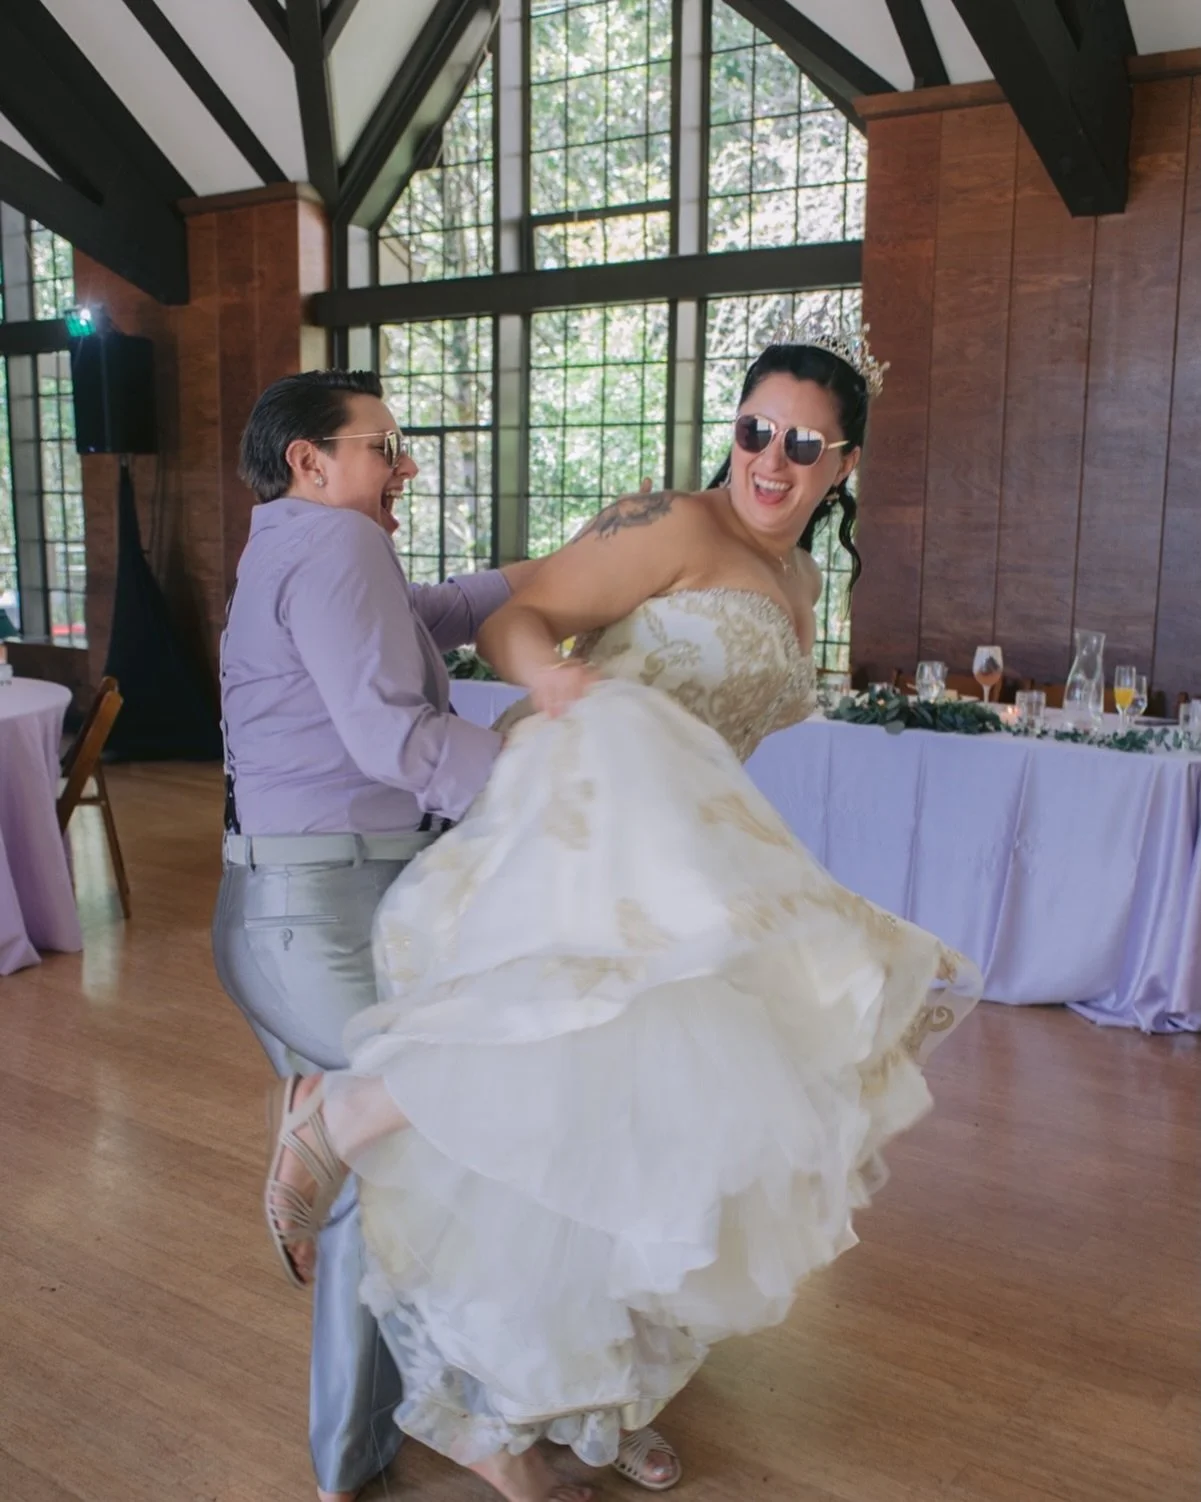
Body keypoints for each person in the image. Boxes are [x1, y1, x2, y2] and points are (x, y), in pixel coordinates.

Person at [257, 336, 982, 1502]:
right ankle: (345, 1114)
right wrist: (550, 681)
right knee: (555, 1066)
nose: (769, 459)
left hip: (683, 852)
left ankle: (602, 1401)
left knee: (649, 1137)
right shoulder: (674, 523)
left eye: (802, 444)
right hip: (589, 811)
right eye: (754, 429)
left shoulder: (801, 582)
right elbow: (515, 616)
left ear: (841, 463)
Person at [213, 369, 553, 1502]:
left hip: (290, 906)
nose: (401, 465)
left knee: (381, 1173)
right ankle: (370, 1448)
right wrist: (548, 772)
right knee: (431, 1116)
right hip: (319, 914)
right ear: (311, 461)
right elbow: (390, 739)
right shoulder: (337, 546)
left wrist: (541, 577)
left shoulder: (296, 546)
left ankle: (359, 1446)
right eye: (382, 447)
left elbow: (427, 616)